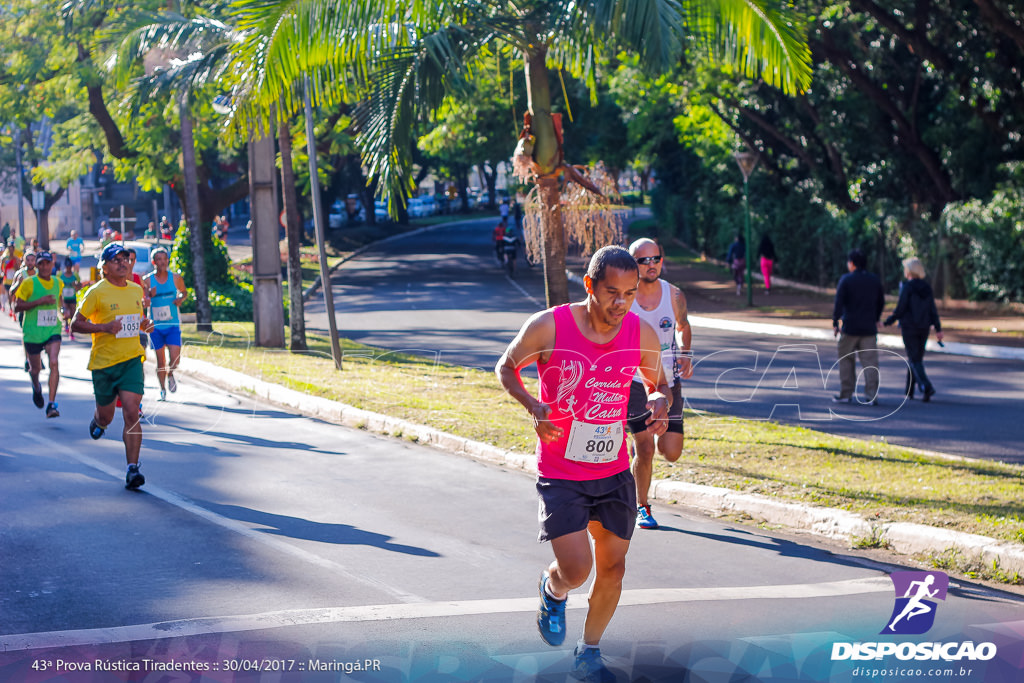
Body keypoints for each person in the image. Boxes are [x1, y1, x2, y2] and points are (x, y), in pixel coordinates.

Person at [495, 245, 670, 682]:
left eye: (630, 294)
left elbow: (658, 384)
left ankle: (588, 651)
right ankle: (553, 589)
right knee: (577, 570)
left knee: (614, 567)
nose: (621, 304)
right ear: (589, 285)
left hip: (612, 471)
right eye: (612, 292)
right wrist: (534, 405)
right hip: (561, 472)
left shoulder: (640, 333)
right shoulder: (549, 326)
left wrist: (659, 401)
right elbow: (506, 367)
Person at [71, 243, 154, 489]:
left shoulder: (136, 290)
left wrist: (144, 325)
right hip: (104, 364)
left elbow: (136, 321)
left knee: (131, 411)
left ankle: (132, 469)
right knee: (107, 415)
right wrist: (103, 327)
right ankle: (99, 421)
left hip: (131, 360)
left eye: (125, 258)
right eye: (115, 259)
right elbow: (77, 323)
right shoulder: (96, 292)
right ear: (104, 267)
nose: (122, 263)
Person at [625, 238, 693, 530]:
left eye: (656, 259)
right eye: (643, 260)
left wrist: (686, 353)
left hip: (668, 380)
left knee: (672, 451)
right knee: (645, 448)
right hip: (634, 381)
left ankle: (638, 453)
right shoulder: (624, 297)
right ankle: (642, 506)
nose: (651, 265)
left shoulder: (674, 295)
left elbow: (683, 326)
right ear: (633, 265)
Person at [883, 257, 943, 402]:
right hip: (924, 327)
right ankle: (909, 390)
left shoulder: (907, 287)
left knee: (914, 358)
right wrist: (938, 328)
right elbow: (932, 309)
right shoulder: (927, 287)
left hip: (909, 327)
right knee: (916, 358)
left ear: (909, 270)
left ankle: (926, 386)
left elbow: (901, 308)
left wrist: (888, 321)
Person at [832, 248, 885, 405]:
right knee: (870, 363)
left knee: (846, 360)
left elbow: (839, 303)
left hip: (850, 327)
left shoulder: (846, 280)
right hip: (868, 328)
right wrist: (876, 318)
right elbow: (880, 302)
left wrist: (836, 322)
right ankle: (871, 395)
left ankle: (846, 393)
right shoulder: (874, 280)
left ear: (852, 264)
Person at [14, 251, 63, 417]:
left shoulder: (58, 282)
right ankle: (36, 386)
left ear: (52, 265)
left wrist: (65, 312)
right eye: (41, 263)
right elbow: (17, 307)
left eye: (47, 263)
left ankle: (51, 404)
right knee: (35, 369)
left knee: (54, 362)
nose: (44, 266)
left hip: (52, 330)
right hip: (32, 332)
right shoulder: (29, 283)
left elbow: (60, 301)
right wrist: (39, 302)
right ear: (37, 265)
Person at [146, 246, 187, 401]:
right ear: (153, 262)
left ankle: (171, 374)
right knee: (160, 360)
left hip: (172, 324)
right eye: (159, 260)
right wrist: (149, 296)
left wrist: (180, 299)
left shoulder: (175, 278)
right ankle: (162, 389)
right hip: (155, 326)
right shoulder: (147, 280)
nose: (162, 262)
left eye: (164, 259)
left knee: (175, 359)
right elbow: (143, 302)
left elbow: (184, 292)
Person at [58, 259, 81, 339]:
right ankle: (66, 325)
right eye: (67, 267)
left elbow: (79, 287)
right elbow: (58, 286)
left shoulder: (75, 275)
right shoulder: (61, 275)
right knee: (66, 313)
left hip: (72, 298)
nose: (68, 268)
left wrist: (76, 285)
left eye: (69, 267)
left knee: (72, 314)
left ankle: (71, 332)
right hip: (64, 298)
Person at [2, 241, 21, 316]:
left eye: (12, 248)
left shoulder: (16, 258)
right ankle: (11, 309)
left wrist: (15, 264)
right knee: (9, 296)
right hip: (7, 280)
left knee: (14, 296)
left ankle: (13, 309)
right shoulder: (5, 258)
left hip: (14, 281)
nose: (11, 250)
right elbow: (2, 267)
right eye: (9, 248)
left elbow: (18, 269)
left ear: (13, 249)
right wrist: (3, 272)